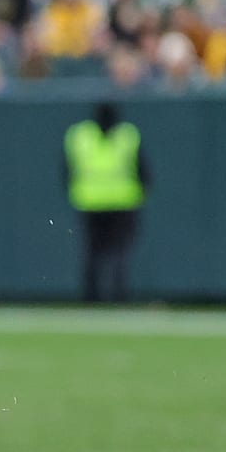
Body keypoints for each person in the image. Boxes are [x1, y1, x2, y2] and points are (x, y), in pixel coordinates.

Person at [64, 101, 150, 303]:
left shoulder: (80, 136)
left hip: (90, 201)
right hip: (122, 202)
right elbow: (143, 170)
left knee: (93, 252)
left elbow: (67, 170)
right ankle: (118, 295)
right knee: (119, 251)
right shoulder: (127, 136)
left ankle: (91, 296)